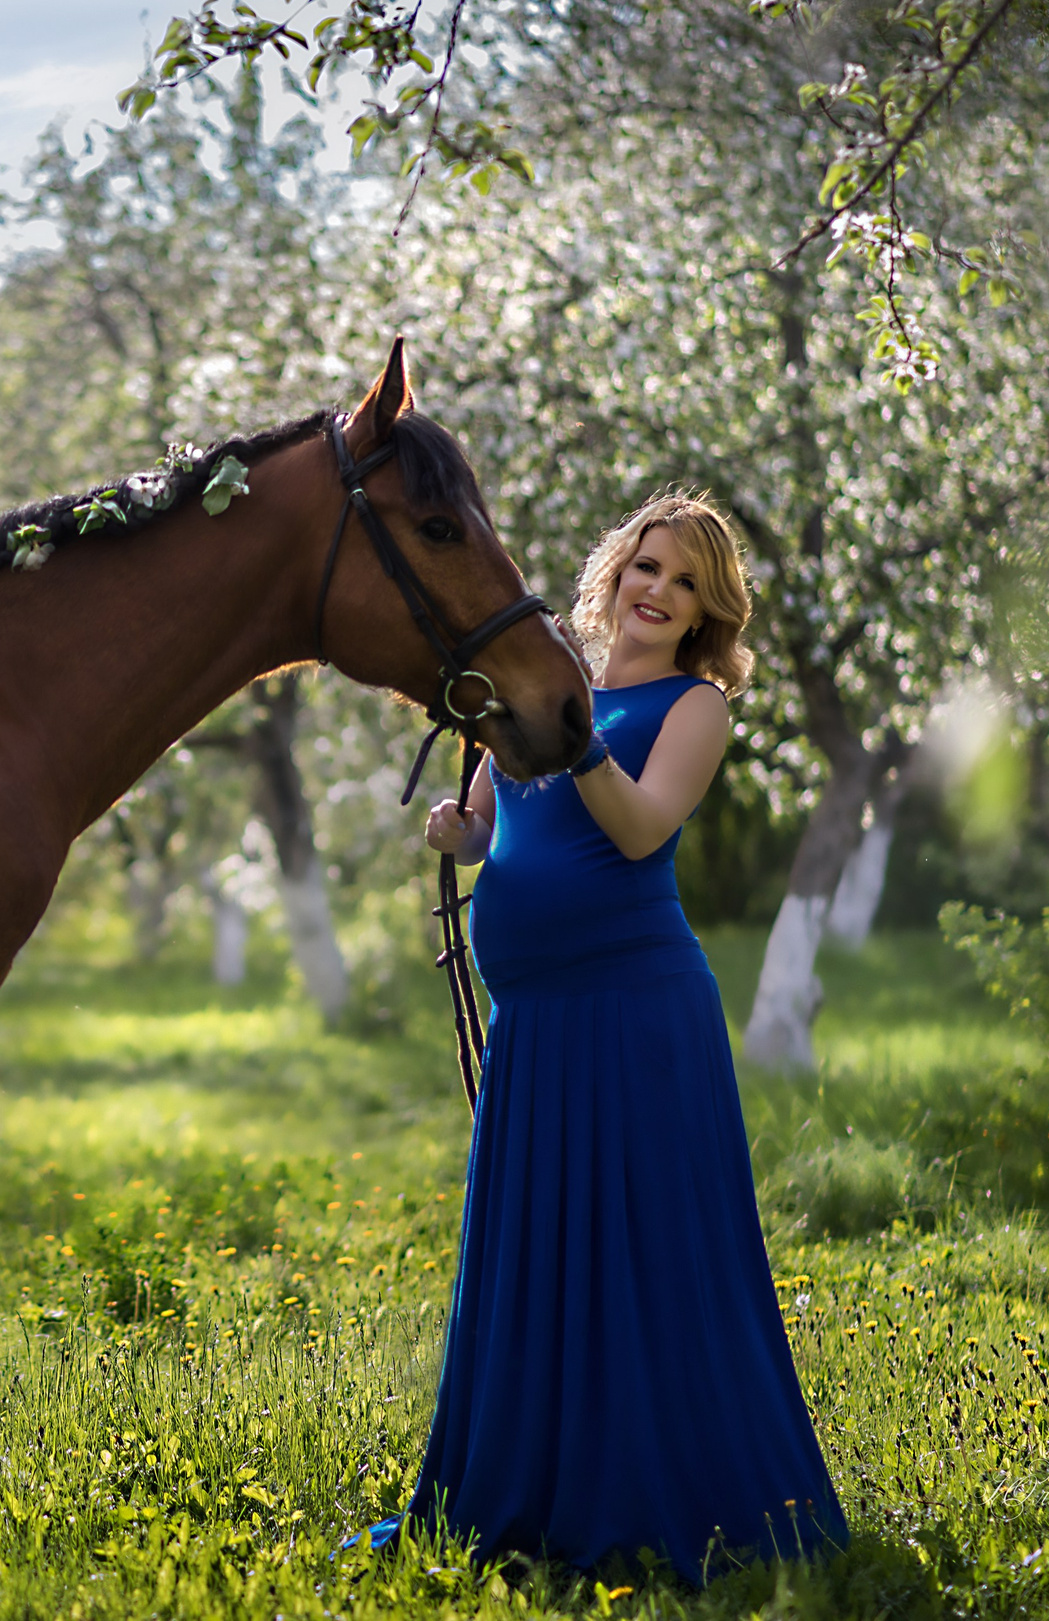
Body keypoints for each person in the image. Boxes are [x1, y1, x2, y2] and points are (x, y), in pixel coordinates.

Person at [356, 494, 848, 1583]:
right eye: (646, 566)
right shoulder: (544, 675)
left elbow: (635, 828)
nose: (655, 592)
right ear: (614, 570)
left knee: (646, 1257)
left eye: (682, 583)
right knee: (538, 1257)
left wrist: (575, 737)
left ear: (702, 613)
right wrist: (460, 831)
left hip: (636, 1015)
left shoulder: (693, 706)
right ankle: (526, 1485)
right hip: (536, 1026)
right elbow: (495, 822)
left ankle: (657, 1493)